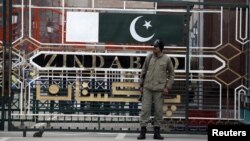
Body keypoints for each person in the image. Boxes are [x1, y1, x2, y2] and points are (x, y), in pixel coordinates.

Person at [137, 39, 175, 140]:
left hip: (159, 89)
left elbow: (172, 74)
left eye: (156, 46)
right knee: (145, 110)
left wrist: (168, 87)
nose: (153, 48)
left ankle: (157, 133)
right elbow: (143, 71)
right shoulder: (149, 57)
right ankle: (143, 132)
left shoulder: (166, 59)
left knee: (158, 111)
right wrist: (141, 84)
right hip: (147, 88)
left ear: (160, 48)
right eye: (153, 46)